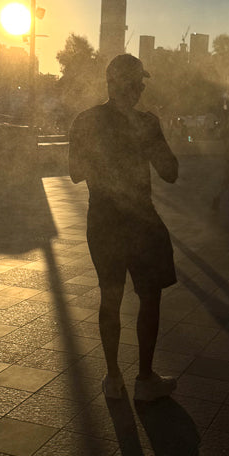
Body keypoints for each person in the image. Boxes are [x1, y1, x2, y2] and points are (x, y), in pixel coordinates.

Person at [68, 54, 179, 401]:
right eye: (140, 82)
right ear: (129, 85)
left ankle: (113, 376)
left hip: (102, 222)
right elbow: (170, 172)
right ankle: (145, 379)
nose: (144, 87)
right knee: (149, 298)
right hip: (142, 224)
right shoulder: (146, 123)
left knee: (109, 297)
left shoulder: (85, 120)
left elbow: (75, 173)